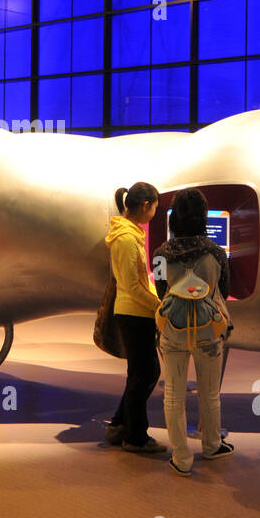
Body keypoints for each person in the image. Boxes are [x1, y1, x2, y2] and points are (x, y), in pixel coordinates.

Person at [151, 188, 235, 476]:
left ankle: (181, 457)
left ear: (175, 217)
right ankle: (211, 446)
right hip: (208, 331)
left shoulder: (161, 253)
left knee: (173, 394)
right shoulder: (216, 252)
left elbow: (161, 291)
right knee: (210, 393)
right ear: (203, 216)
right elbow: (223, 291)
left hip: (171, 331)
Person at [104, 181, 165, 454]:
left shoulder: (129, 234)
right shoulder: (127, 239)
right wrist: (158, 305)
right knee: (148, 373)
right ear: (145, 206)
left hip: (135, 312)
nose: (154, 213)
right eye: (154, 208)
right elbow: (132, 285)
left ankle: (119, 426)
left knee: (139, 375)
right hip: (134, 313)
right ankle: (135, 437)